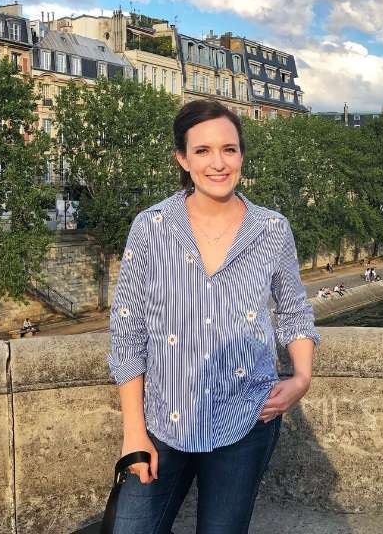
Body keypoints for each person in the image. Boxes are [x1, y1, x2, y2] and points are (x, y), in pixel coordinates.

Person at [107, 100, 320, 533]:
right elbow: (127, 332)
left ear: (242, 155)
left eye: (229, 149)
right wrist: (134, 431)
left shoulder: (272, 229)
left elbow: (294, 308)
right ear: (182, 160)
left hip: (246, 420)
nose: (218, 163)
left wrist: (301, 378)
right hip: (163, 423)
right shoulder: (151, 227)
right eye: (202, 151)